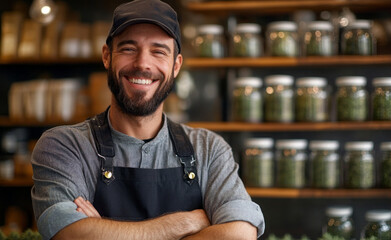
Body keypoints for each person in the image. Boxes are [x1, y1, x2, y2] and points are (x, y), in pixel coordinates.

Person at [30, 0, 265, 239]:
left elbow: (241, 232)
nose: (143, 63)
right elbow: (67, 232)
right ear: (107, 56)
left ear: (176, 65)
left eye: (158, 51)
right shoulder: (65, 146)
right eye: (129, 49)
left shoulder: (209, 149)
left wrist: (104, 231)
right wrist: (185, 223)